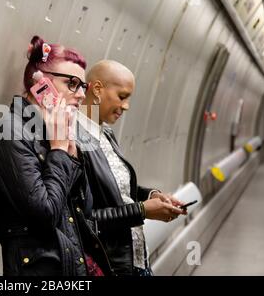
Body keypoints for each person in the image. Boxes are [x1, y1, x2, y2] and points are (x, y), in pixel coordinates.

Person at [0, 36, 112, 276]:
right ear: (42, 84)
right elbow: (45, 215)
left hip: (71, 265)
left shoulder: (57, 134)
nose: (81, 95)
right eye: (72, 83)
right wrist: (59, 152)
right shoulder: (9, 133)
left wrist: (71, 154)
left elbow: (84, 209)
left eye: (82, 86)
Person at [77, 60, 187, 276]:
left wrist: (154, 195)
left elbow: (116, 189)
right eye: (122, 96)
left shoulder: (105, 132)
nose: (126, 106)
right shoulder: (74, 141)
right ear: (97, 89)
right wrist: (143, 210)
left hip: (135, 259)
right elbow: (85, 220)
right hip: (110, 266)